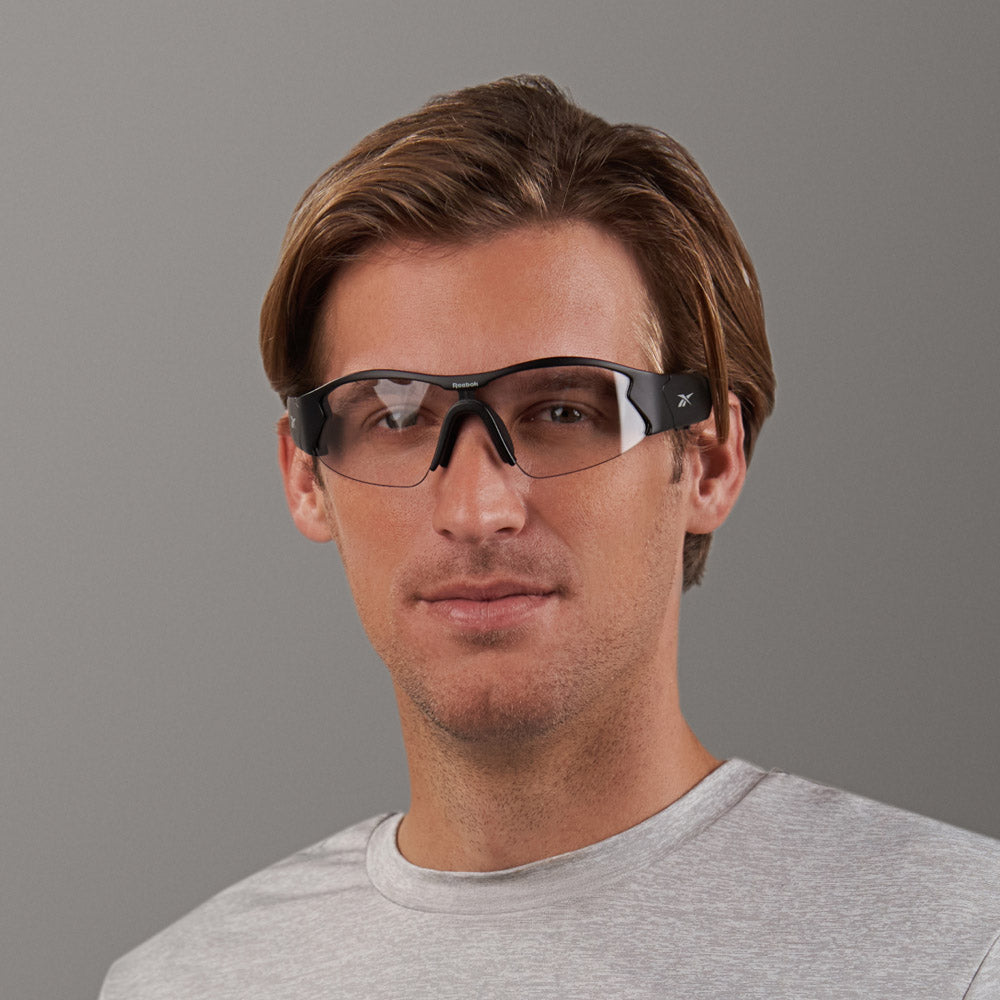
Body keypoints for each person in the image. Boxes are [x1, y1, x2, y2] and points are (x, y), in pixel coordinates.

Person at [100, 75, 999, 999]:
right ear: (305, 477)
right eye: (397, 417)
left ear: (711, 460)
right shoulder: (181, 983)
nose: (476, 509)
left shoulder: (965, 949)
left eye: (564, 410)